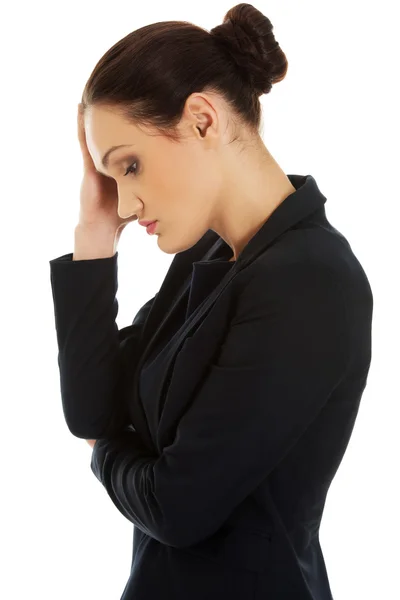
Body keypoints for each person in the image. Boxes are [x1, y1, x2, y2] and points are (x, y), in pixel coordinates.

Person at [49, 3, 373, 599]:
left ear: (202, 120)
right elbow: (91, 413)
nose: (124, 203)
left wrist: (104, 457)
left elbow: (177, 509)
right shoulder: (207, 258)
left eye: (131, 166)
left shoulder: (311, 280)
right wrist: (93, 238)